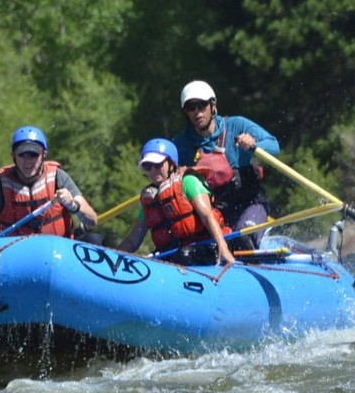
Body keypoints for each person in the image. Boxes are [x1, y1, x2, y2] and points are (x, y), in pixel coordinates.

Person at [172, 80, 280, 247]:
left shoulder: (236, 125)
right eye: (190, 108)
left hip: (250, 204)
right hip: (214, 214)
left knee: (244, 241)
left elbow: (274, 146)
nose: (197, 112)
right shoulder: (180, 144)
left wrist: (254, 146)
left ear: (212, 105)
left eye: (201, 105)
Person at [118, 138, 236, 266]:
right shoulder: (148, 198)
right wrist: (114, 256)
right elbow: (133, 240)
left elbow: (208, 217)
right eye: (148, 166)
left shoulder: (188, 181)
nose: (153, 170)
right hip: (174, 254)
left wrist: (222, 247)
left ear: (171, 164)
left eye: (158, 165)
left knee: (184, 255)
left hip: (209, 245)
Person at [0, 126, 97, 239]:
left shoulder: (59, 177)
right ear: (13, 156)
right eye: (22, 154)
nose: (28, 161)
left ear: (43, 155)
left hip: (56, 254)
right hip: (14, 256)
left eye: (33, 154)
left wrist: (73, 206)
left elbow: (92, 220)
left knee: (94, 239)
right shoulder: (1, 186)